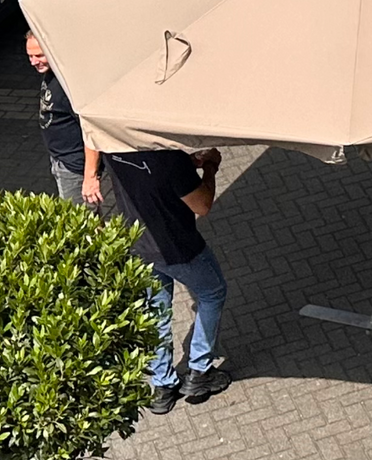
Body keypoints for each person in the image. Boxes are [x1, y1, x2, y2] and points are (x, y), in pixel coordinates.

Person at [106, 145, 232, 414]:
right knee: (212, 292)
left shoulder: (113, 147)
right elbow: (203, 204)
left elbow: (145, 176)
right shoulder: (170, 160)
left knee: (156, 311)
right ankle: (200, 371)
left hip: (137, 243)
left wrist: (190, 163)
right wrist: (209, 167)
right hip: (178, 248)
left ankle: (162, 385)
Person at [25, 32, 106, 210]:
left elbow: (91, 130)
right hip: (61, 161)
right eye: (30, 56)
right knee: (86, 220)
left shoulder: (69, 87)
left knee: (80, 222)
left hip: (75, 167)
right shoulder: (52, 73)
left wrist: (90, 177)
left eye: (39, 55)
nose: (33, 62)